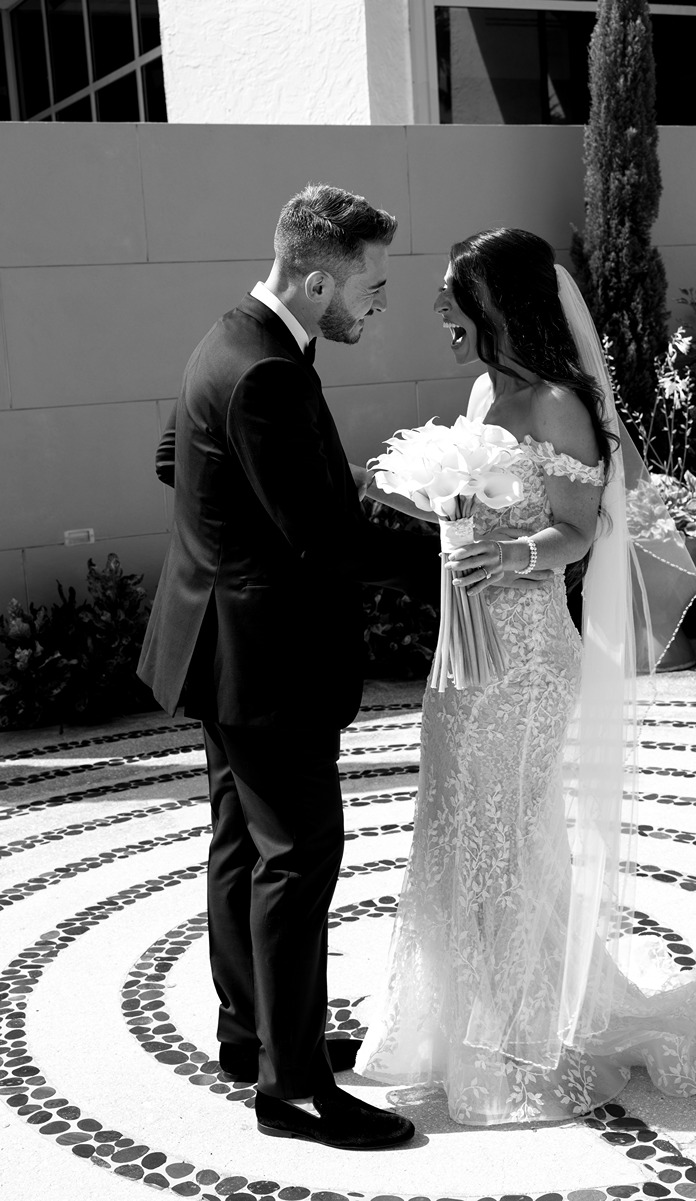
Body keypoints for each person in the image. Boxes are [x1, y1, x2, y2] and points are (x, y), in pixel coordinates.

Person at [355, 229, 696, 1125]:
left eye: (452, 297)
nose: (439, 315)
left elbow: (579, 531)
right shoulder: (478, 390)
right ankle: (452, 1021)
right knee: (454, 826)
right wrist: (407, 496)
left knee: (510, 835)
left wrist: (514, 556)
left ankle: (519, 1035)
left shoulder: (558, 403)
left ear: (496, 303)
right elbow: (469, 505)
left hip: (530, 656)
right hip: (459, 655)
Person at [137, 184, 440, 1150]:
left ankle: (253, 1034)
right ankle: (294, 1090)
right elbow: (323, 541)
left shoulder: (226, 337)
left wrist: (310, 483)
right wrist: (455, 542)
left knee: (243, 844)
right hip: (265, 663)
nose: (379, 304)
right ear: (317, 280)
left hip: (211, 641)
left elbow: (170, 458)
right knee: (298, 858)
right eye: (371, 288)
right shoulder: (266, 372)